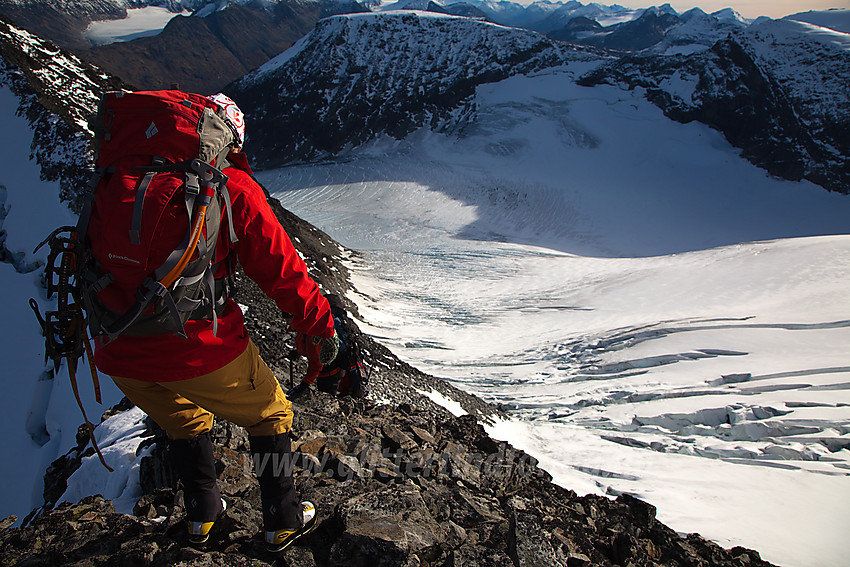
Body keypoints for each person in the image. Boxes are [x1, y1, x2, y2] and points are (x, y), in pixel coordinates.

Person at [90, 92, 339, 552]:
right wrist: (321, 330)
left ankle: (204, 516)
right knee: (271, 412)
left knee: (184, 418)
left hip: (117, 346)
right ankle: (282, 518)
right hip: (197, 345)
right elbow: (283, 272)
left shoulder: (116, 177)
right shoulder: (228, 186)